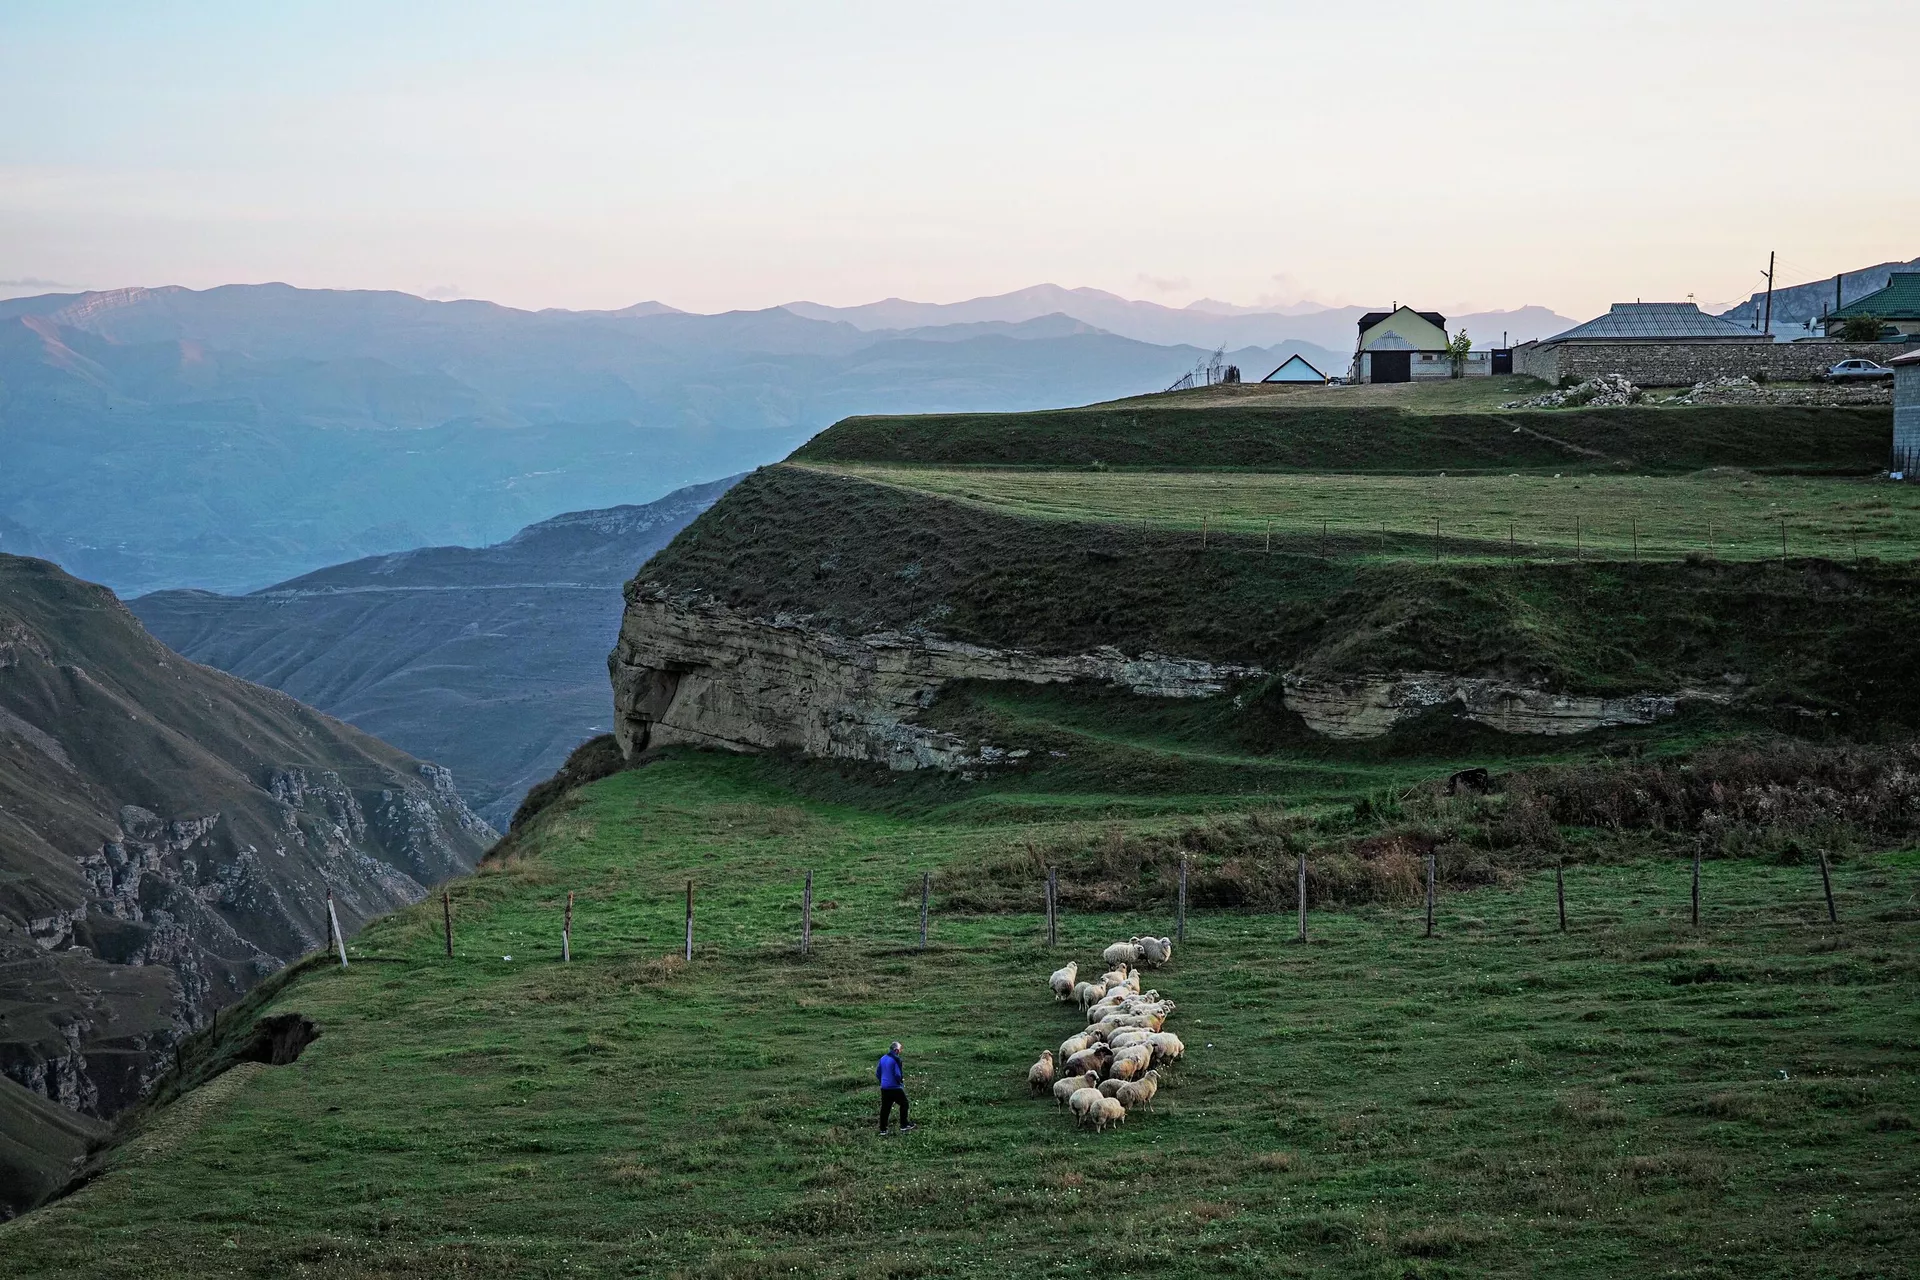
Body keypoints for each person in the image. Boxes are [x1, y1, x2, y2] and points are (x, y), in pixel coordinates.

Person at [876, 1040, 914, 1135]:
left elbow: (878, 1073)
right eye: (900, 1049)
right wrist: (900, 1082)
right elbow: (897, 1075)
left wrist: (883, 1082)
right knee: (904, 1103)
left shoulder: (883, 1058)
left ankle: (883, 1129)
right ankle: (904, 1124)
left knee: (885, 1108)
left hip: (884, 1088)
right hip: (895, 1087)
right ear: (896, 1050)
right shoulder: (896, 1059)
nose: (900, 1051)